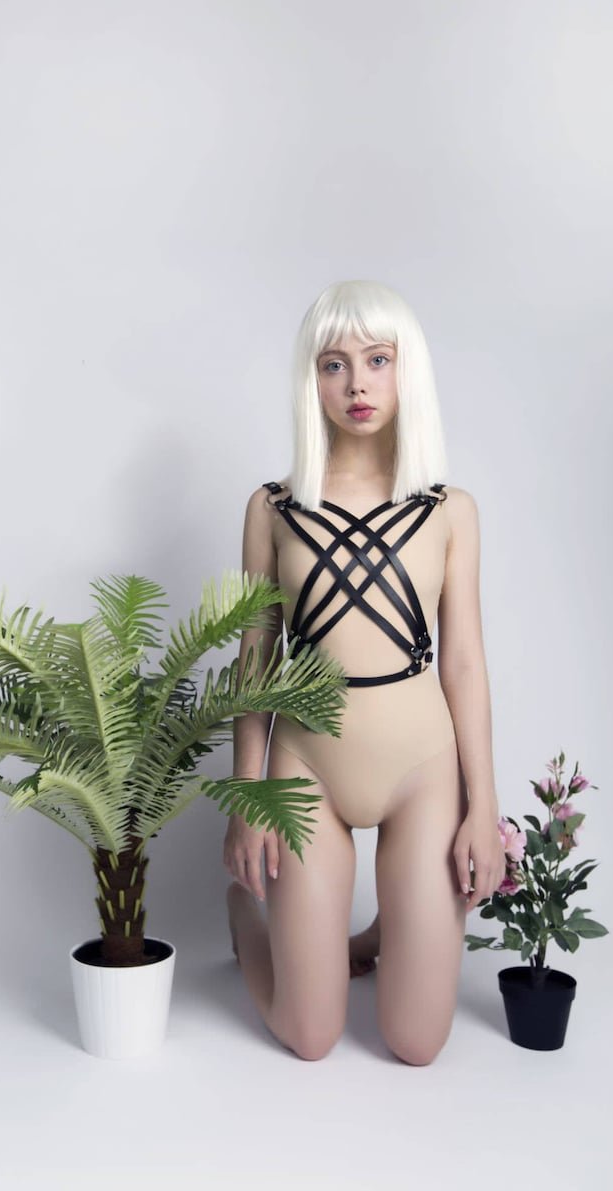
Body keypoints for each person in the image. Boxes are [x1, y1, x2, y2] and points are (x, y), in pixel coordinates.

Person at [224, 279, 506, 1064]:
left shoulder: (449, 509)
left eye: (378, 360)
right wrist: (247, 797)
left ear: (406, 369)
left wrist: (483, 806)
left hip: (423, 770)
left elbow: (464, 661)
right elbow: (255, 657)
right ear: (310, 380)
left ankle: (383, 929)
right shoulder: (273, 508)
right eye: (334, 364)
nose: (357, 384)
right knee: (310, 1036)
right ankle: (245, 919)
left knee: (416, 1043)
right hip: (306, 766)